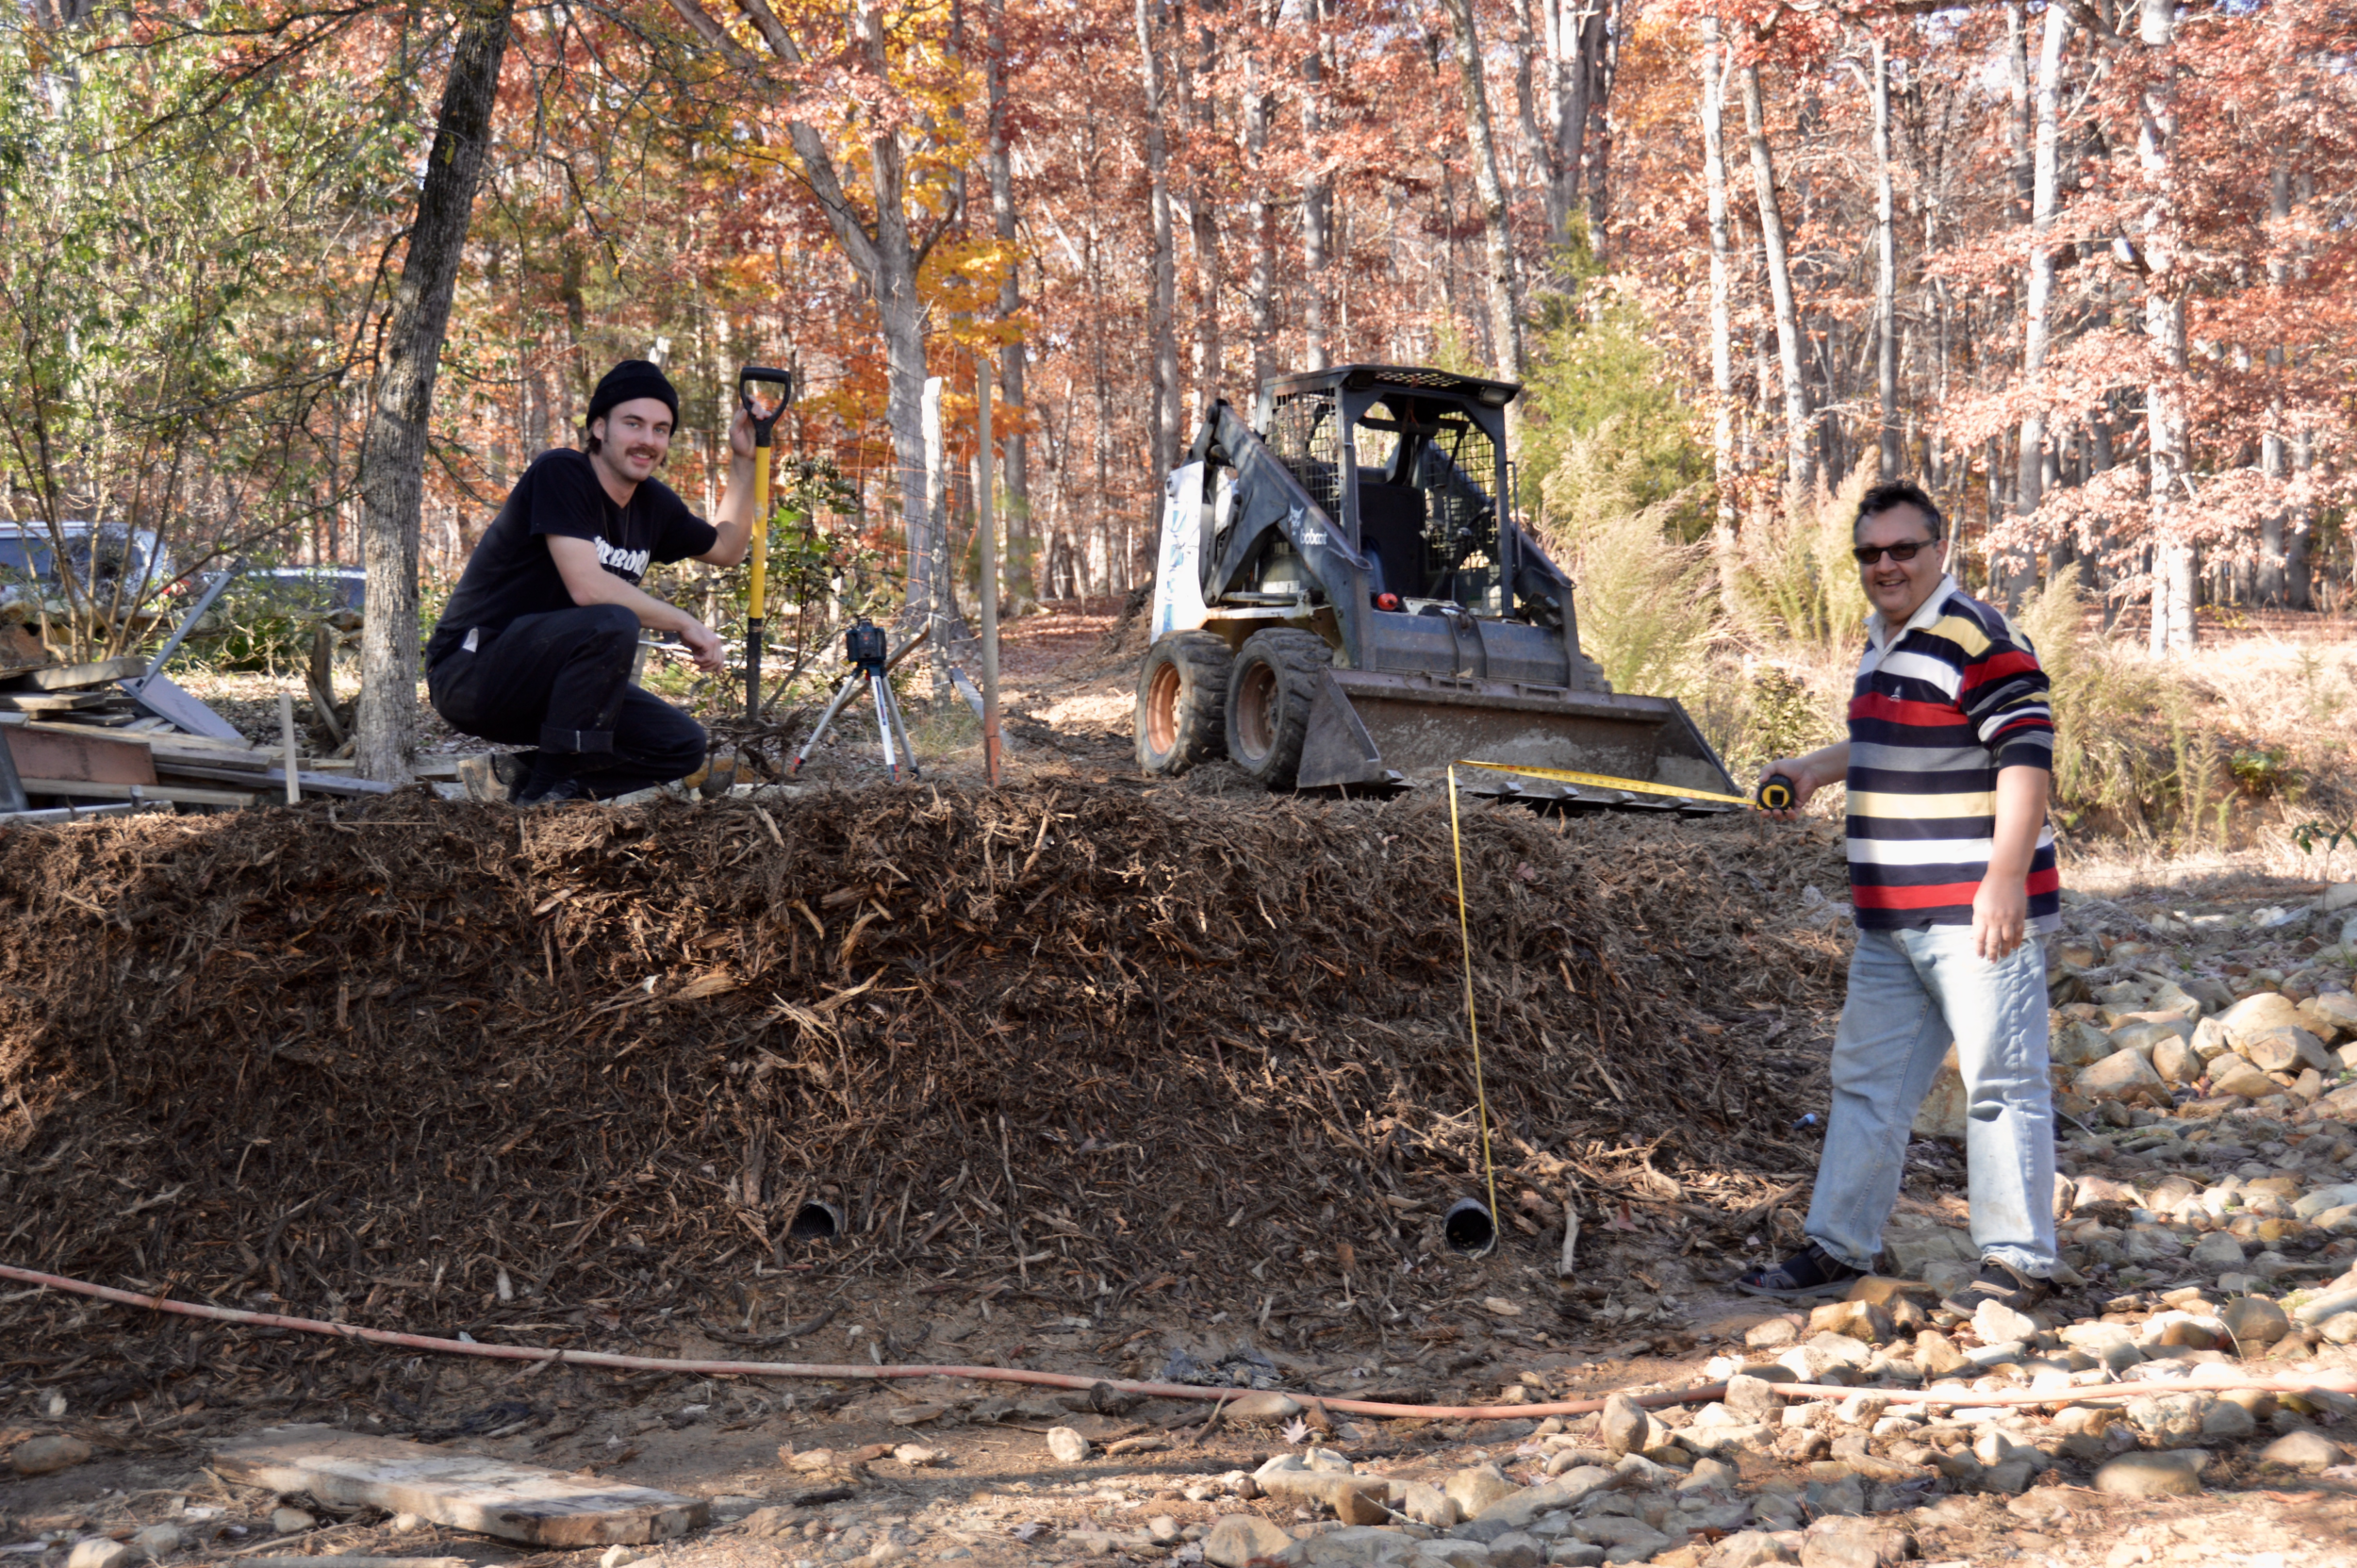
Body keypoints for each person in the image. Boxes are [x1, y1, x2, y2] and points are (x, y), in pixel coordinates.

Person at [1738, 479, 2064, 1315]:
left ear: (1939, 548)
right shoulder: (1885, 641)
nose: (1886, 565)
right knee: (1867, 1086)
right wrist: (1814, 767)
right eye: (1870, 553)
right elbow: (1889, 737)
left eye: (1902, 549)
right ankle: (1840, 1247)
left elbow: (2026, 755)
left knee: (2000, 1083)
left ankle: (2019, 1260)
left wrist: (2003, 879)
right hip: (1891, 919)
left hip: (1977, 912)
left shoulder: (1978, 635)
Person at [426, 359, 757, 804]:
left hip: (558, 690)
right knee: (611, 620)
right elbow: (589, 588)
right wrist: (683, 621)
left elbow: (728, 548)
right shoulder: (562, 473)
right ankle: (546, 795)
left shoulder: (653, 505)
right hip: (473, 671)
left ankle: (527, 781)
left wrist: (743, 459)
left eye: (661, 429)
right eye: (633, 424)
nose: (648, 440)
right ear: (600, 427)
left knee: (679, 744)